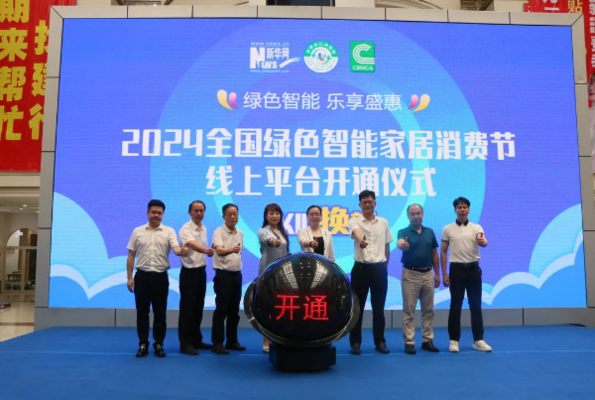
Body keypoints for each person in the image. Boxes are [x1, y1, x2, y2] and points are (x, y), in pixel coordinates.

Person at [126, 199, 189, 358]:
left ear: (163, 215)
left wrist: (180, 251)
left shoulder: (169, 231)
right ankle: (143, 343)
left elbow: (175, 248)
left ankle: (159, 344)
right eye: (153, 212)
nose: (156, 215)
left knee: (160, 313)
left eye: (159, 213)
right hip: (142, 277)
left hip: (160, 278)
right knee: (142, 313)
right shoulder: (137, 231)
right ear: (147, 213)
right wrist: (129, 277)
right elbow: (131, 255)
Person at [441, 196, 492, 353]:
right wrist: (444, 274)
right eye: (459, 207)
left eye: (465, 207)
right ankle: (454, 340)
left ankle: (478, 340)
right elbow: (443, 251)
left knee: (475, 305)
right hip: (456, 270)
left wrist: (484, 243)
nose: (462, 209)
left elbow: (484, 241)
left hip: (473, 270)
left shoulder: (476, 227)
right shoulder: (447, 229)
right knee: (455, 306)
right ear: (455, 210)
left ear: (469, 210)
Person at [348, 190, 393, 355]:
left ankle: (380, 341)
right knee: (357, 308)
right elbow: (356, 232)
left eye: (370, 202)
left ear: (375, 203)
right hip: (360, 268)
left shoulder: (383, 223)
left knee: (379, 308)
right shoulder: (354, 220)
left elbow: (387, 246)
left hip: (379, 269)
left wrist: (385, 266)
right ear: (360, 205)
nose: (367, 204)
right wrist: (361, 239)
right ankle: (355, 342)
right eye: (364, 202)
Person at [397, 204, 440, 355]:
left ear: (422, 214)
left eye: (418, 213)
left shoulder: (429, 232)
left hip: (428, 273)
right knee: (409, 310)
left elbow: (434, 253)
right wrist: (402, 244)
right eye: (413, 214)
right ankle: (409, 342)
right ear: (408, 216)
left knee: (428, 310)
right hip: (410, 274)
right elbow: (400, 243)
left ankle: (427, 340)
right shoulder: (403, 232)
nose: (416, 216)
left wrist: (437, 274)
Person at [178, 200, 215, 356]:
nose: (199, 213)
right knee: (187, 309)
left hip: (201, 272)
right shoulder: (185, 228)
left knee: (198, 308)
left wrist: (207, 252)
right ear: (190, 212)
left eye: (201, 210)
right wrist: (206, 250)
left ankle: (196, 339)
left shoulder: (203, 228)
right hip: (189, 273)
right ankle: (185, 343)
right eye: (196, 210)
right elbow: (192, 244)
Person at [211, 203, 246, 355]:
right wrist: (232, 249)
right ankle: (217, 343)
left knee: (234, 311)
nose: (232, 217)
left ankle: (232, 341)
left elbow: (239, 253)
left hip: (236, 275)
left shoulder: (240, 232)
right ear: (223, 216)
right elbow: (219, 250)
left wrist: (235, 253)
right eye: (229, 214)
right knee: (221, 310)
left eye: (235, 214)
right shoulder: (218, 232)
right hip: (223, 275)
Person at [257, 203, 290, 353]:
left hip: (282, 274)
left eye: (277, 213)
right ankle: (266, 339)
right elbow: (267, 239)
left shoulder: (283, 232)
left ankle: (280, 338)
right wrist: (273, 241)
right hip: (268, 273)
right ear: (266, 216)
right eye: (271, 213)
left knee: (282, 306)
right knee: (268, 306)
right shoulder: (263, 231)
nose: (274, 216)